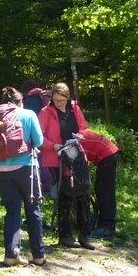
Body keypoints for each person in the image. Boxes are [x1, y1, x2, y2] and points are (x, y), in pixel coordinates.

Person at [0, 87, 46, 266]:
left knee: (12, 211)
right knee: (33, 210)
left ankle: (11, 255)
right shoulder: (28, 114)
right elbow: (39, 141)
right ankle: (38, 255)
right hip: (26, 168)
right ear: (20, 101)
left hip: (0, 169)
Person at [40, 83, 95, 249]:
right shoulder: (45, 112)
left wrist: (80, 135)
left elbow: (84, 127)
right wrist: (54, 146)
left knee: (83, 193)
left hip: (77, 155)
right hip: (56, 157)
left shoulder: (74, 108)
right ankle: (65, 235)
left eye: (62, 100)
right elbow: (39, 137)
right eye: (56, 100)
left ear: (67, 98)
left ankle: (85, 234)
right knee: (65, 194)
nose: (59, 103)